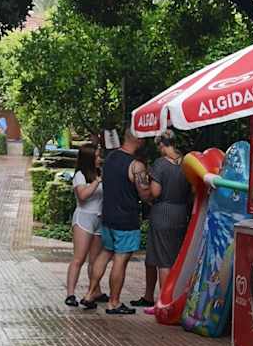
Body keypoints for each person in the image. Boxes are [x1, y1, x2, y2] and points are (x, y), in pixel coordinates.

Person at [83, 128, 145, 314]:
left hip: (108, 216)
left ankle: (89, 294)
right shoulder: (136, 165)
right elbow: (145, 193)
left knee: (105, 253)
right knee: (121, 259)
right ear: (139, 140)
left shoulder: (110, 158)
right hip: (126, 219)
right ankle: (114, 302)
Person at [141, 130, 193, 311]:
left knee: (163, 261)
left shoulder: (160, 164)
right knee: (174, 258)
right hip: (181, 213)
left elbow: (155, 192)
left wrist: (147, 191)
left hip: (162, 213)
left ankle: (164, 303)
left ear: (162, 145)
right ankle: (174, 297)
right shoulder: (186, 163)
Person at [65, 144, 108, 307]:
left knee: (95, 259)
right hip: (84, 218)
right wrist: (97, 181)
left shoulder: (99, 172)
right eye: (96, 156)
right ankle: (70, 294)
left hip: (99, 219)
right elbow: (83, 195)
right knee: (79, 258)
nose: (99, 159)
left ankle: (94, 291)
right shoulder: (80, 175)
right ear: (89, 158)